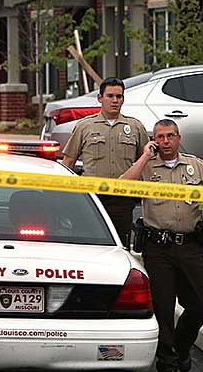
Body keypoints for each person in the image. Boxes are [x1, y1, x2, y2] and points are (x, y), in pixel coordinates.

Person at [120, 119, 203, 372]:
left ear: (178, 137)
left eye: (170, 136)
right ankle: (167, 363)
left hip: (189, 245)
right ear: (154, 140)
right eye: (160, 137)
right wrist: (143, 157)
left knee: (200, 304)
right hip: (158, 248)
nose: (165, 141)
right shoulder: (147, 167)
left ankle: (181, 347)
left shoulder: (195, 165)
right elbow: (122, 185)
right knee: (163, 308)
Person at [62, 77, 150, 248]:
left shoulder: (135, 127)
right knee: (89, 245)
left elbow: (146, 162)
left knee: (121, 246)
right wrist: (66, 196)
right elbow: (69, 162)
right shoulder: (85, 126)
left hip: (122, 199)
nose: (115, 101)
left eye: (119, 96)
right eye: (110, 96)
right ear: (100, 98)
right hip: (92, 199)